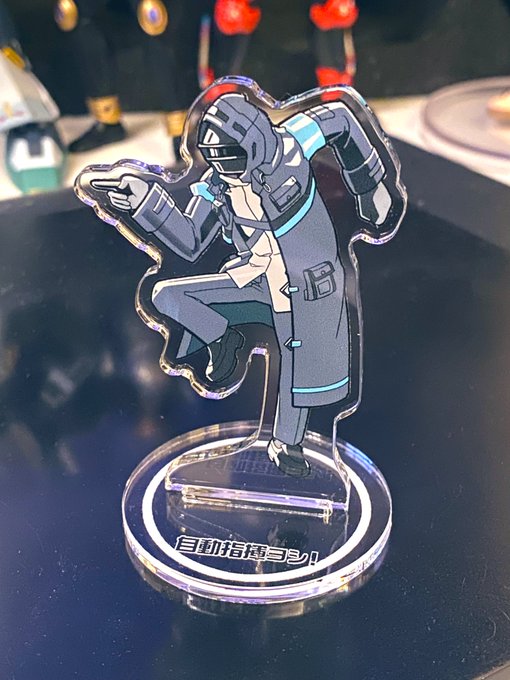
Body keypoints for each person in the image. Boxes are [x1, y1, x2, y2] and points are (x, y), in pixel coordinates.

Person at [94, 91, 393, 476]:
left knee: (298, 363)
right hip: (253, 276)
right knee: (167, 296)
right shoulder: (218, 184)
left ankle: (287, 445)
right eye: (214, 158)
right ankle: (222, 339)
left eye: (230, 156)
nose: (224, 167)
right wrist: (143, 201)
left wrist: (370, 187)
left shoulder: (293, 143)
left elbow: (339, 117)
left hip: (306, 284)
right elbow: (189, 240)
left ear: (254, 142)